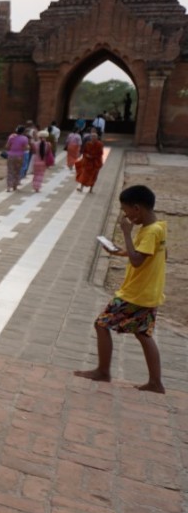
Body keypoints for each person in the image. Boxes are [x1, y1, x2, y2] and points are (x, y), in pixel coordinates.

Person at [76, 186, 166, 394]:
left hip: (135, 294)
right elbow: (150, 255)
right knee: (143, 333)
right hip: (149, 293)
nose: (126, 216)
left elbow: (137, 261)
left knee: (101, 324)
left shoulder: (149, 231)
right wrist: (120, 252)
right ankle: (155, 382)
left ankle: (103, 371)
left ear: (137, 209)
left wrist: (127, 233)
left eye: (126, 211)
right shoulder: (159, 227)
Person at [75, 129, 104, 193]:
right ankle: (81, 188)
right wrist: (87, 156)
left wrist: (92, 157)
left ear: (97, 138)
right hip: (88, 162)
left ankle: (91, 189)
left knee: (94, 176)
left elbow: (100, 153)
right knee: (84, 174)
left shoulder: (100, 144)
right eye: (92, 137)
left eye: (94, 137)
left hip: (95, 162)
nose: (93, 138)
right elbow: (84, 152)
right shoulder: (88, 144)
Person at [3, 126, 29, 192]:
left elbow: (7, 146)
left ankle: (8, 187)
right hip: (20, 156)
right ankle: (15, 186)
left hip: (11, 155)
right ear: (23, 131)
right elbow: (26, 148)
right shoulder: (25, 138)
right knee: (17, 171)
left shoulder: (11, 137)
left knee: (10, 171)